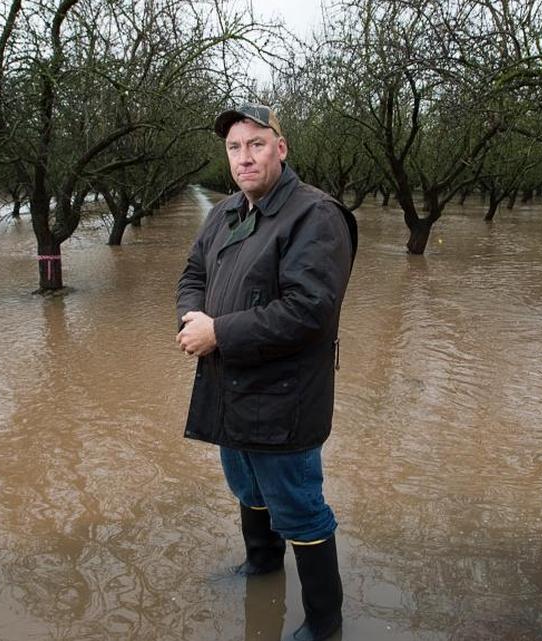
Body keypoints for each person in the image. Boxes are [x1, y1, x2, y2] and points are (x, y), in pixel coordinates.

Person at [176, 103, 357, 641]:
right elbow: (191, 273)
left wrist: (219, 333)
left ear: (281, 148)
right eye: (234, 147)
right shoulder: (225, 212)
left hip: (284, 398)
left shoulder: (315, 215)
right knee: (246, 485)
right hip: (228, 388)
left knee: (299, 505)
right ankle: (262, 567)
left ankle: (325, 621)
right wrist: (191, 318)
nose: (244, 156)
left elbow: (310, 310)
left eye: (256, 144)